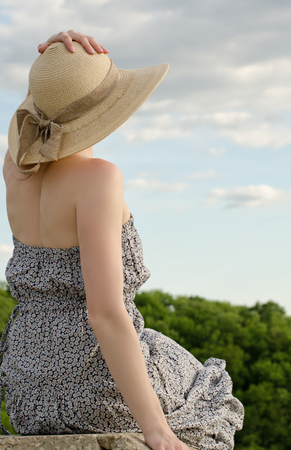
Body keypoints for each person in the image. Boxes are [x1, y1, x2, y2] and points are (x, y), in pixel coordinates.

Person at [0, 31, 244, 449]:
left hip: (27, 389)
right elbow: (105, 314)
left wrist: (54, 67)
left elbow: (31, 116)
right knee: (210, 395)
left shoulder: (16, 171)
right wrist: (155, 429)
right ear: (106, 112)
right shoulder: (98, 179)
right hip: (91, 380)